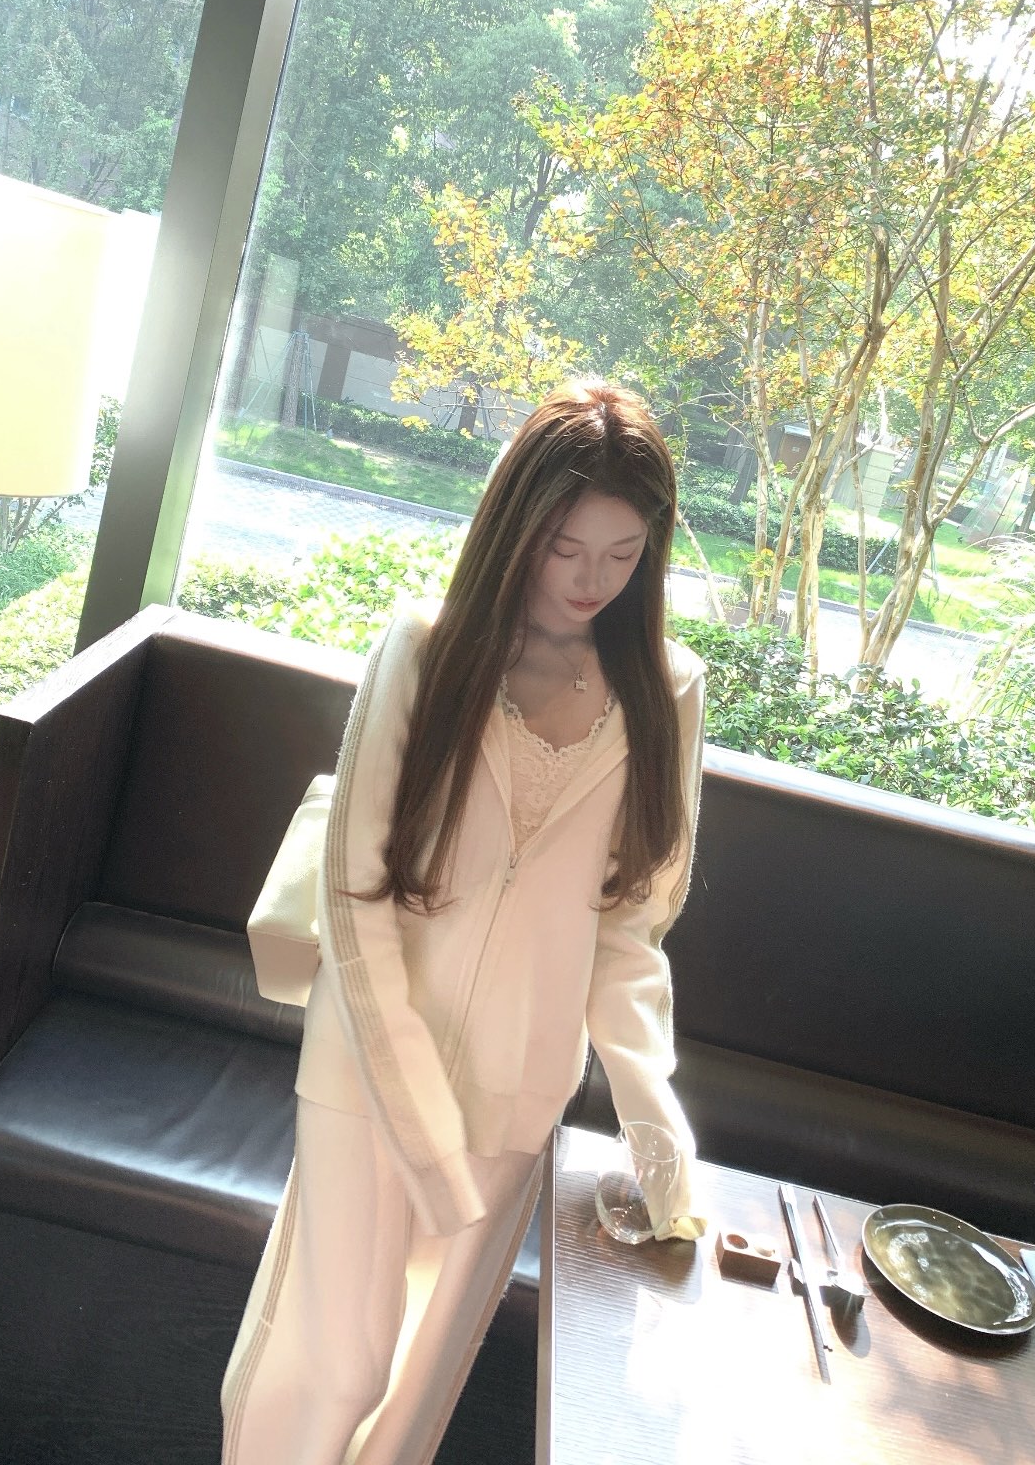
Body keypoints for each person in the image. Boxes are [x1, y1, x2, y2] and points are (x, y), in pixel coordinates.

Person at [221, 379, 707, 1465]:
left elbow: (631, 929)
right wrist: (424, 1127)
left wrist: (653, 1118)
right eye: (564, 546)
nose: (588, 580)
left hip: (519, 1085)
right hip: (367, 1070)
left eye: (621, 553)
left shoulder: (665, 692)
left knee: (411, 1389)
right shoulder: (425, 650)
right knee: (335, 1361)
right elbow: (355, 894)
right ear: (514, 526)